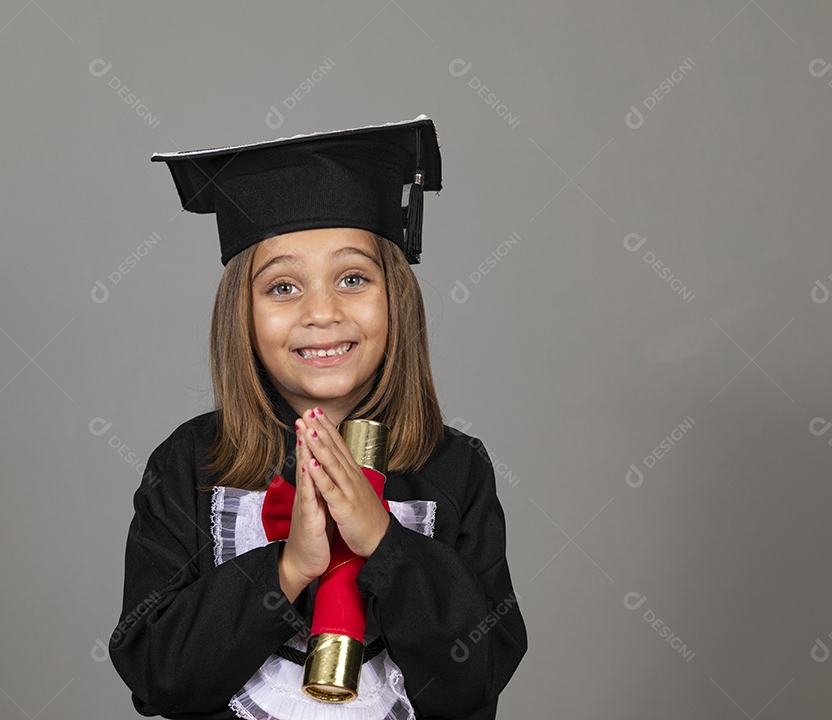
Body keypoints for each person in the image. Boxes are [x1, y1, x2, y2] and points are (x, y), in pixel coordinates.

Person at [108, 116, 528, 720]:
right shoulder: (190, 464)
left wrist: (384, 543)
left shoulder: (455, 468)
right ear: (241, 315)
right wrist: (289, 567)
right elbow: (159, 676)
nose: (322, 312)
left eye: (352, 278)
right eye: (283, 287)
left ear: (396, 297)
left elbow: (477, 677)